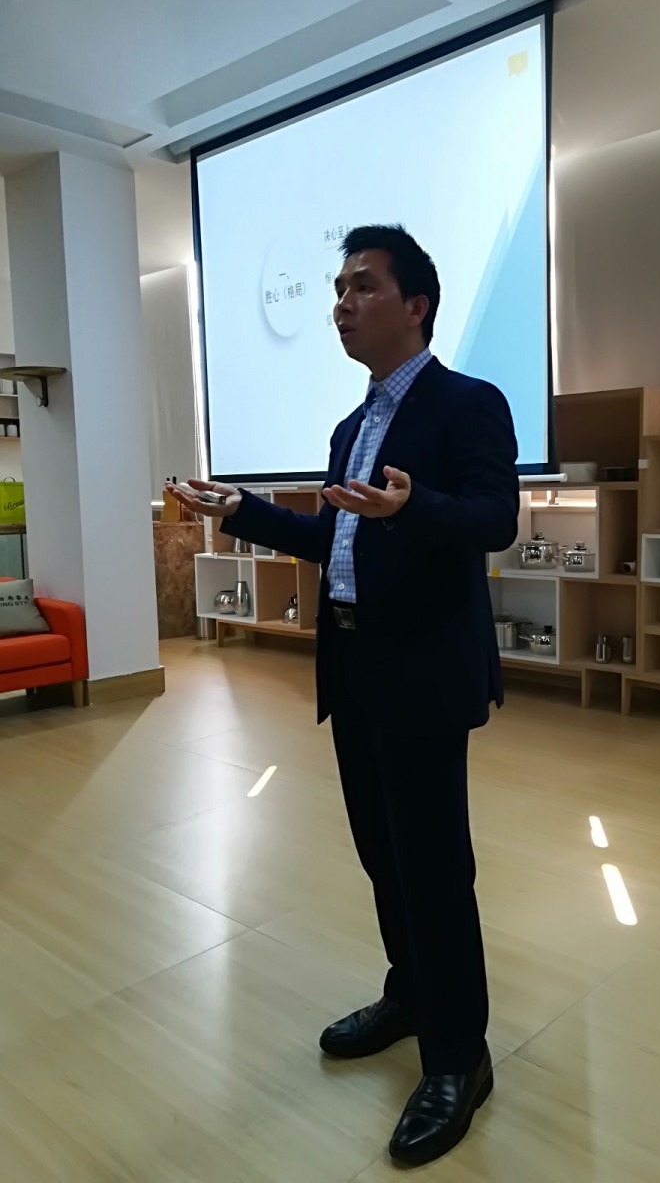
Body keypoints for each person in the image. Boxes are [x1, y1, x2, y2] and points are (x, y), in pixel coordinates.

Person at [170, 225, 520, 1167]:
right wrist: (243, 511)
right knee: (383, 853)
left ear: (417, 305)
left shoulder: (468, 403)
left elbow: (495, 517)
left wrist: (415, 506)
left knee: (435, 865)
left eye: (363, 285)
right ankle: (412, 994)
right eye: (337, 288)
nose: (340, 304)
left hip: (425, 669)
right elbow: (339, 540)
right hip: (356, 664)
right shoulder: (349, 428)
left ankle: (459, 1056)